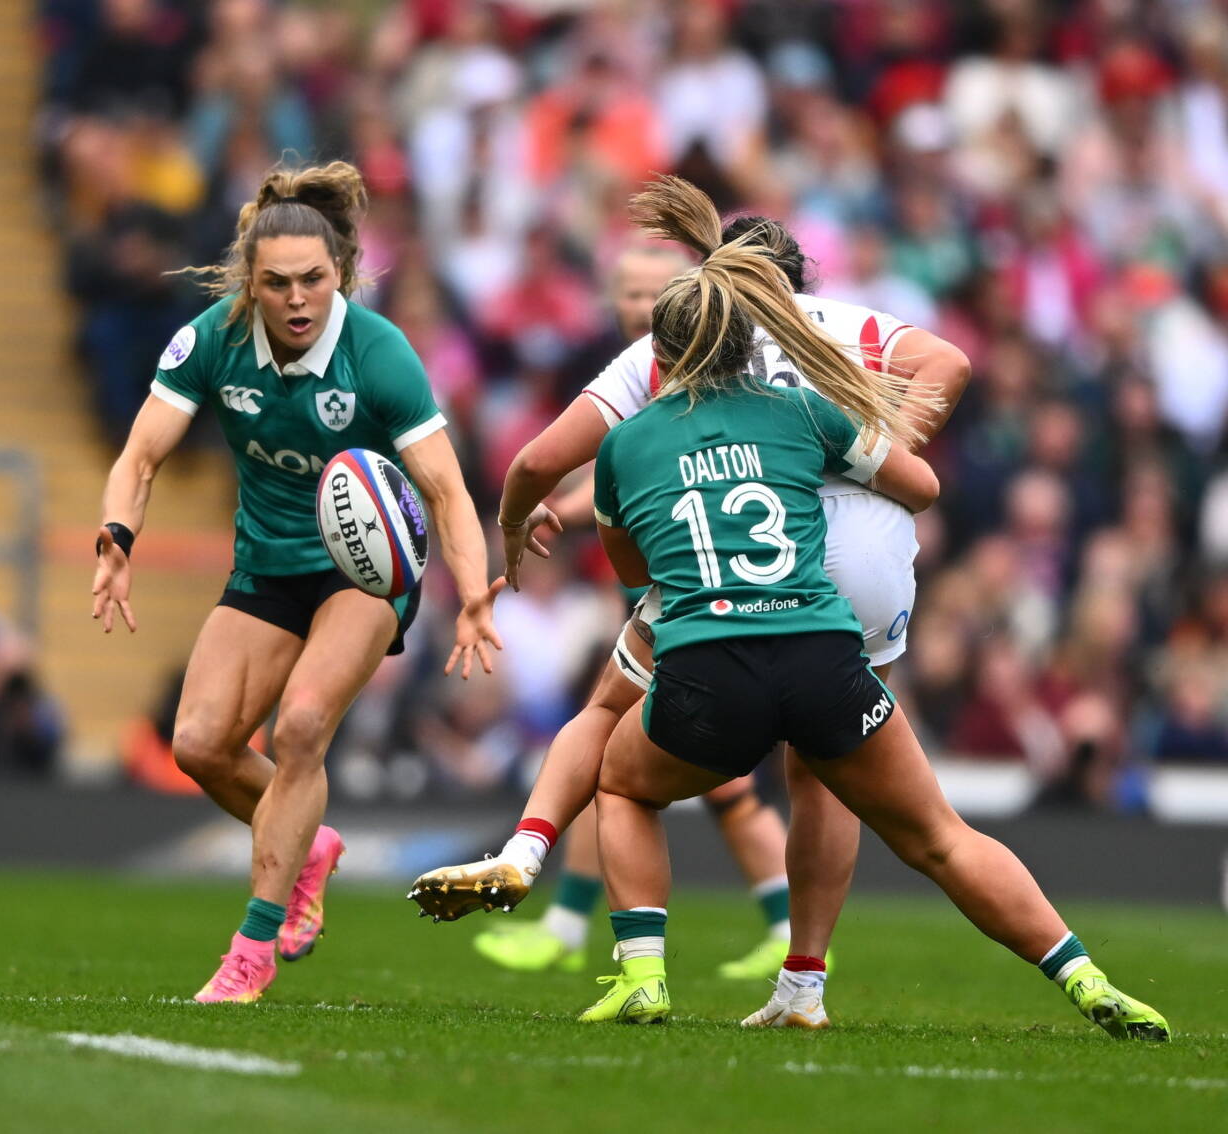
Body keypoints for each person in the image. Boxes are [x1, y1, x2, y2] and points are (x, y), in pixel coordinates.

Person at [576, 176, 1168, 1041]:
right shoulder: (806, 401)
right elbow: (927, 469)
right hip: (830, 641)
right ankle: (1081, 976)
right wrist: (853, 454)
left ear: (664, 352)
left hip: (713, 663)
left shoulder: (629, 438)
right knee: (936, 835)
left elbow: (622, 561)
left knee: (620, 782)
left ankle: (642, 976)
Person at [411, 182, 971, 1022]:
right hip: (866, 566)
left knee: (612, 725)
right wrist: (875, 450)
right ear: (798, 281)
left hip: (742, 571)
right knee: (826, 777)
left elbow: (544, 460)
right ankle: (805, 976)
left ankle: (540, 862)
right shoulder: (849, 326)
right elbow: (951, 365)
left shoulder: (682, 348)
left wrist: (521, 523)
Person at [92, 161, 503, 1005]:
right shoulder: (212, 338)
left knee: (303, 726)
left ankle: (250, 950)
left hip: (363, 571)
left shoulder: (379, 353)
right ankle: (309, 845)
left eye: (313, 279)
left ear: (341, 275)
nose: (295, 298)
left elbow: (447, 489)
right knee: (199, 745)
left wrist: (471, 592)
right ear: (251, 282)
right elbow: (140, 453)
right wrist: (116, 538)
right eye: (275, 282)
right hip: (267, 567)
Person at [472, 241, 803, 980]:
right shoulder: (636, 379)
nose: (639, 304)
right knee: (624, 759)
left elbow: (633, 472)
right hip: (668, 594)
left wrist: (543, 513)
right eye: (629, 291)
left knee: (697, 776)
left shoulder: (678, 374)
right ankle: (573, 920)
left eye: (655, 290)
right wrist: (571, 509)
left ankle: (785, 932)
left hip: (703, 599)